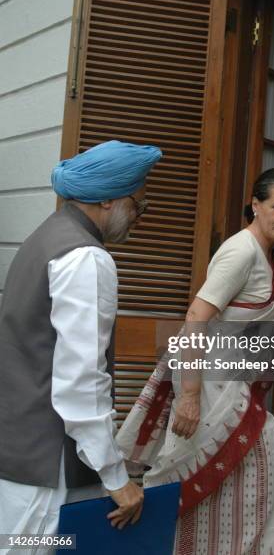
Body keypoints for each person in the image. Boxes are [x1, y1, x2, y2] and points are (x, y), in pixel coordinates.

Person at [117, 168, 274, 554]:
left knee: (257, 473)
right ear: (255, 206)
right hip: (207, 381)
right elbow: (196, 317)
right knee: (189, 474)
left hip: (232, 382)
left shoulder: (270, 257)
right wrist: (189, 394)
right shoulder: (241, 251)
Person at [0, 140, 161, 550]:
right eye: (138, 205)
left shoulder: (45, 236)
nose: (140, 218)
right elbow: (81, 385)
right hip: (45, 465)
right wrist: (116, 478)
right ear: (109, 199)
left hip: (18, 451)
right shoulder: (87, 259)